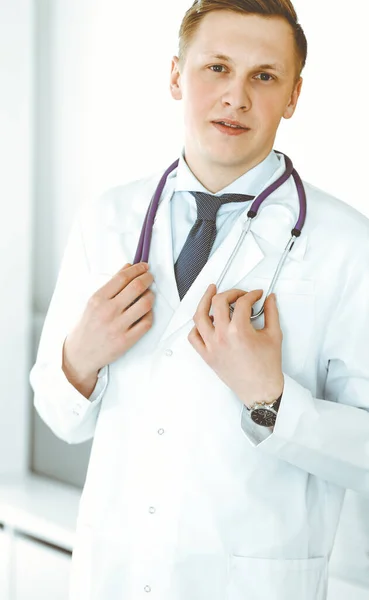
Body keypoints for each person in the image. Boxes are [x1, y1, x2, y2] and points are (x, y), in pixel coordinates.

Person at [30, 1, 369, 599]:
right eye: (216, 67)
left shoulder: (346, 245)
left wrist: (271, 399)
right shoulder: (108, 218)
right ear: (175, 75)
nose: (236, 96)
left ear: (293, 96)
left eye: (264, 76)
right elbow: (60, 417)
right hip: (114, 577)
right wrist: (79, 357)